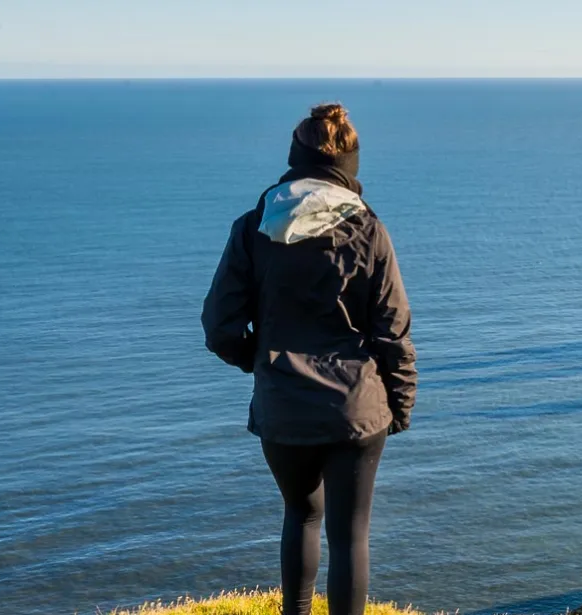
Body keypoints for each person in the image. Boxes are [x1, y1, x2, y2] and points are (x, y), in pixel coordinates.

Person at [202, 103, 417, 615]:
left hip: (282, 404)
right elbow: (393, 331)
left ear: (296, 158)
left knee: (300, 515)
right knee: (349, 536)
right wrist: (401, 404)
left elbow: (219, 327)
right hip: (356, 408)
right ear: (351, 166)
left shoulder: (254, 226)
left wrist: (261, 361)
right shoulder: (368, 230)